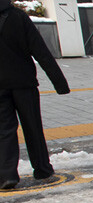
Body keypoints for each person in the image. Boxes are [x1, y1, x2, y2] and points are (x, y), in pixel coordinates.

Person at [0, 0, 69, 190]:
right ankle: (42, 169)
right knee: (33, 126)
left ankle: (7, 176)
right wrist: (60, 83)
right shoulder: (19, 17)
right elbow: (40, 50)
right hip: (24, 83)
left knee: (4, 130)